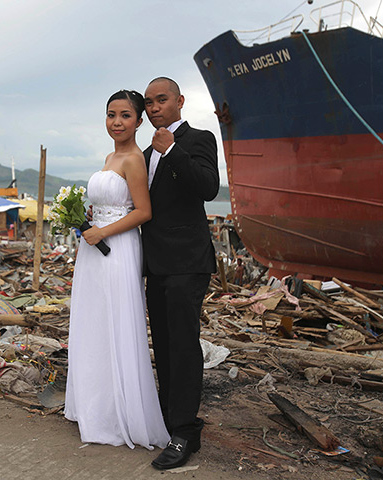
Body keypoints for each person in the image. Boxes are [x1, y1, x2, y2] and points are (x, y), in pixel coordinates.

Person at [64, 90, 169, 450]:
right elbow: (112, 202)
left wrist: (103, 231)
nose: (117, 122)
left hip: (118, 247)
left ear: (139, 121)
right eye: (111, 115)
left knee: (116, 321)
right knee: (94, 321)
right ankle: (95, 406)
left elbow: (143, 212)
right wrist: (89, 219)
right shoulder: (110, 156)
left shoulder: (135, 159)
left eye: (125, 115)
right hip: (94, 246)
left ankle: (119, 411)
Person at [141, 77, 220, 469]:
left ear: (180, 101)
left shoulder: (197, 139)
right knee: (165, 344)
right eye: (149, 103)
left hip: (188, 262)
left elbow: (207, 186)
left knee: (184, 346)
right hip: (155, 264)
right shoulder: (143, 153)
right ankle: (167, 419)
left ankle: (186, 432)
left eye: (161, 100)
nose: (154, 107)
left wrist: (172, 150)